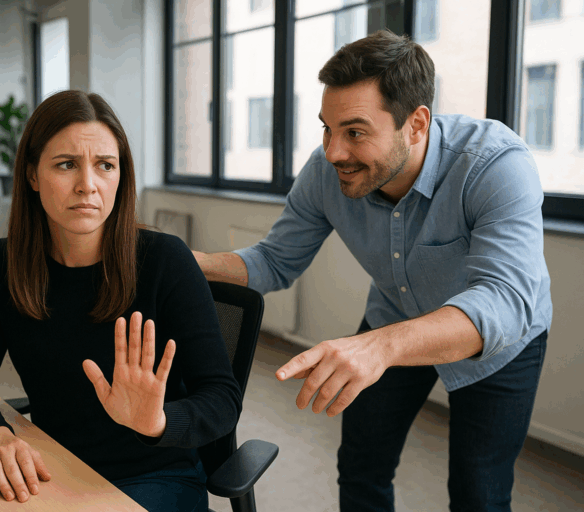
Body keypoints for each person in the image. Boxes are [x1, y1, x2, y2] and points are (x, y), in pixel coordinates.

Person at [194, 30, 552, 512]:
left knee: (479, 492)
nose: (333, 151)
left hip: (499, 343)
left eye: (355, 132)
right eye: (327, 128)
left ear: (417, 124)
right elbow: (274, 260)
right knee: (361, 466)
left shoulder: (494, 165)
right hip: (395, 315)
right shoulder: (325, 171)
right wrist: (189, 263)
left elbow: (504, 302)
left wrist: (380, 346)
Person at [0, 90, 241, 512]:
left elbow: (222, 400)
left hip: (155, 476)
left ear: (121, 176)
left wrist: (155, 422)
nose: (88, 185)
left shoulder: (164, 261)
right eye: (66, 165)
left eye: (105, 165)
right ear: (31, 176)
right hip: (55, 467)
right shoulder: (4, 264)